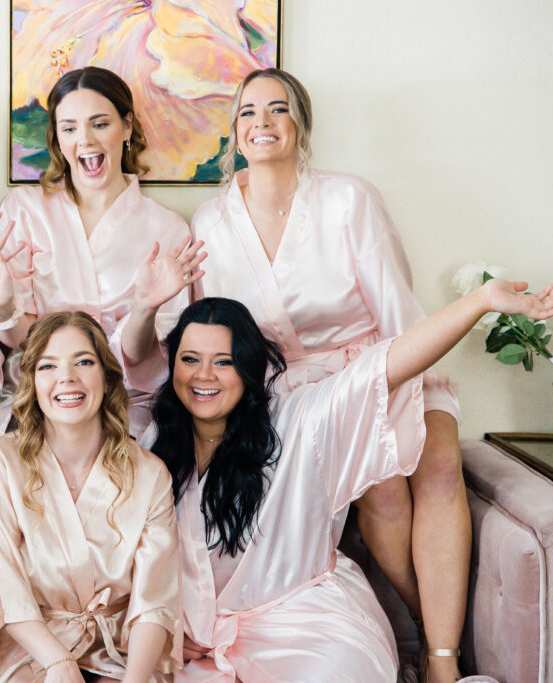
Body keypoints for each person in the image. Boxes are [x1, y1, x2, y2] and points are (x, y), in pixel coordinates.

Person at [179, 67, 468, 680]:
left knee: (438, 464)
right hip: (289, 395)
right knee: (383, 487)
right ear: (234, 132)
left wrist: (397, 383)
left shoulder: (347, 198)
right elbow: (209, 333)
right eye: (248, 112)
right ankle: (425, 625)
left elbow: (394, 304)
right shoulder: (210, 221)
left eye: (277, 109)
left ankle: (443, 656)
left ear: (300, 125)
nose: (262, 122)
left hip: (379, 363)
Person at [140, 283, 552, 682]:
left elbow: (390, 363)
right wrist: (169, 623)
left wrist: (480, 301)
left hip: (308, 630)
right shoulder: (156, 444)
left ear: (248, 367)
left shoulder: (301, 421)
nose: (203, 376)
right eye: (189, 359)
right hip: (196, 645)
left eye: (224, 361)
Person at [0, 66, 204, 438]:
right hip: (42, 396)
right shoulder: (25, 210)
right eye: (69, 128)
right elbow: (21, 341)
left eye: (100, 124)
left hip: (126, 403)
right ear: (58, 139)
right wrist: (2, 310)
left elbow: (151, 359)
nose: (85, 140)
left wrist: (145, 307)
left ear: (127, 127)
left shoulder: (167, 229)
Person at [0, 312, 182, 681]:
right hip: (33, 648)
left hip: (121, 655)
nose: (66, 377)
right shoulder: (3, 459)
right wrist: (59, 662)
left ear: (108, 378)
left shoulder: (150, 472)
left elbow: (154, 604)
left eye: (83, 361)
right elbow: (3, 584)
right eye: (48, 366)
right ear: (32, 381)